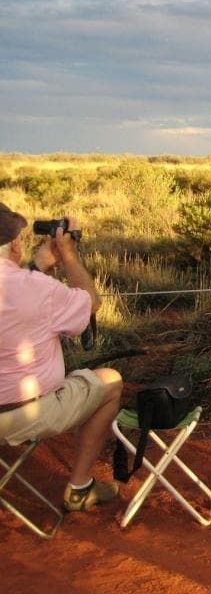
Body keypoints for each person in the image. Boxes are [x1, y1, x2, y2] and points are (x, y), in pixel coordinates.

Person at [0, 203, 123, 511]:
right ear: (15, 243)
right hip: (23, 414)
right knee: (111, 382)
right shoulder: (36, 288)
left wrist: (36, 267)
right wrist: (68, 254)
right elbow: (90, 304)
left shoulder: (32, 282)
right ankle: (80, 487)